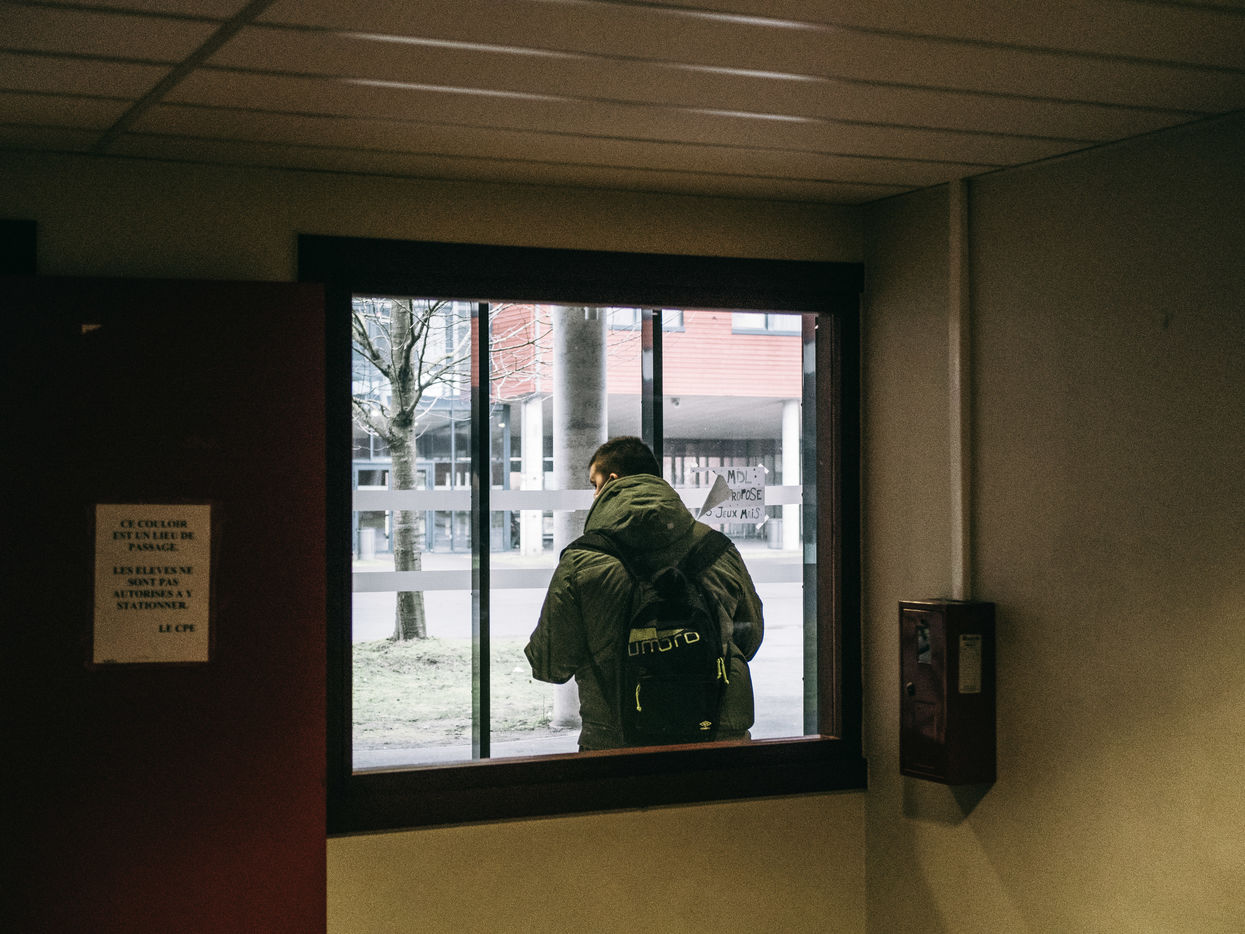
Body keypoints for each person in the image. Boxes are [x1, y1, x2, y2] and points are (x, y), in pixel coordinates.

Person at [525, 436, 764, 750]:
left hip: (617, 746)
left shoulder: (582, 560)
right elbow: (750, 637)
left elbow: (550, 664)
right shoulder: (718, 549)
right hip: (717, 741)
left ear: (612, 480)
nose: (594, 495)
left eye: (594, 484)